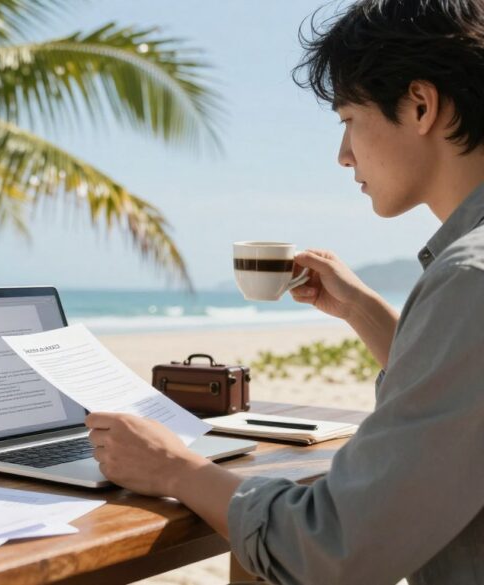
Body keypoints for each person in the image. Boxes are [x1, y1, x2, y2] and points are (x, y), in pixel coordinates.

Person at [85, 1, 484, 583]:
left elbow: (333, 546)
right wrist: (362, 310)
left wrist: (174, 468)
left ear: (420, 106)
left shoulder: (468, 277)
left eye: (348, 118)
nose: (343, 154)